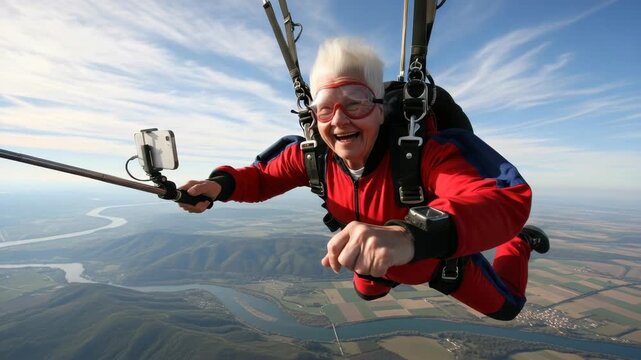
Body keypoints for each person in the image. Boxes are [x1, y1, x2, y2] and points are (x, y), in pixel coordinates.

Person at [178, 37, 550, 321]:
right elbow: (260, 178)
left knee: (507, 308)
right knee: (368, 293)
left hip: (439, 259)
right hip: (376, 260)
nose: (339, 119)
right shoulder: (314, 157)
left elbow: (504, 195)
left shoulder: (424, 151)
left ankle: (519, 245)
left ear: (379, 109)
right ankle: (383, 270)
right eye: (325, 107)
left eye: (354, 102)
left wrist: (409, 235)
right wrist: (218, 187)